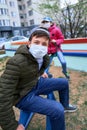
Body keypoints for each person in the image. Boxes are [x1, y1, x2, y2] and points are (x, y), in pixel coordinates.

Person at [0, 27, 77, 130]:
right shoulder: (16, 62)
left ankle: (65, 106)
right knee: (57, 110)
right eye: (36, 42)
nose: (40, 46)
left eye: (44, 44)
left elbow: (34, 67)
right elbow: (3, 96)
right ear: (29, 43)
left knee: (63, 82)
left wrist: (39, 74)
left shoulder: (44, 57)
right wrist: (11, 126)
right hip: (23, 96)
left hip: (34, 83)